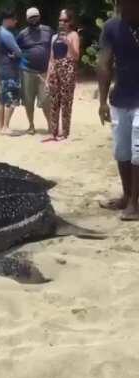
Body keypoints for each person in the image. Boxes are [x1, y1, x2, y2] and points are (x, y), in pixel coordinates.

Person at [98, 0, 139, 220]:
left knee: (138, 150)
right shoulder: (112, 27)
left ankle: (134, 204)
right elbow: (104, 63)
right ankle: (126, 195)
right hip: (120, 98)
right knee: (122, 151)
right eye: (120, 3)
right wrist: (102, 101)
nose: (122, 8)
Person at [45, 9, 80, 141]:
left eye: (65, 20)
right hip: (55, 70)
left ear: (70, 22)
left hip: (68, 69)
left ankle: (65, 132)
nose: (62, 23)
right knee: (54, 102)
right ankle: (53, 132)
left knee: (66, 102)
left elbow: (76, 57)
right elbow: (51, 59)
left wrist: (68, 43)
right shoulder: (54, 37)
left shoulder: (73, 35)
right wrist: (47, 78)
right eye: (60, 20)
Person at [17, 7, 53, 135]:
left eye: (36, 16)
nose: (34, 19)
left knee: (46, 100)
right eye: (31, 17)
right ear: (27, 19)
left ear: (39, 16)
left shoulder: (48, 30)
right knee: (28, 100)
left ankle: (50, 125)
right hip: (27, 71)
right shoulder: (23, 34)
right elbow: (15, 48)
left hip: (44, 72)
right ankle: (31, 125)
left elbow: (54, 46)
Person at [0, 9, 22, 136]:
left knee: (1, 99)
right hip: (10, 70)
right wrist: (16, 55)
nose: (16, 22)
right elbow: (18, 52)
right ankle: (6, 126)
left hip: (1, 69)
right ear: (8, 20)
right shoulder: (7, 34)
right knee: (12, 98)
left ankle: (1, 127)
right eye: (14, 19)